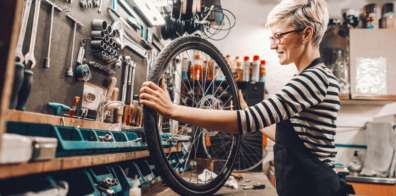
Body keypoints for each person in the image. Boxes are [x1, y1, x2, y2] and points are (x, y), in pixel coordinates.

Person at [140, 0, 355, 195]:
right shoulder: (317, 77)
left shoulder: (312, 79)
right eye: (273, 37)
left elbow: (243, 123)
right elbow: (294, 140)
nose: (273, 45)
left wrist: (172, 110)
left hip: (315, 189)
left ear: (306, 34)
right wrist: (247, 113)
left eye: (278, 36)